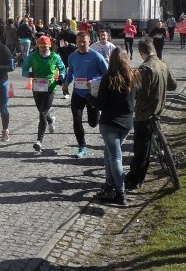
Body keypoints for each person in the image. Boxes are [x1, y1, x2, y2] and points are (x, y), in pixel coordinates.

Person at [88, 48, 139, 206]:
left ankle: (121, 192)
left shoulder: (108, 78)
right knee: (109, 154)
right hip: (126, 123)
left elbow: (101, 104)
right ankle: (109, 185)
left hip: (110, 123)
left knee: (116, 157)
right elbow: (136, 99)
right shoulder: (134, 76)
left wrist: (89, 97)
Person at [125, 38, 177, 190]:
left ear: (142, 52)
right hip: (159, 109)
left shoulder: (145, 68)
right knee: (146, 146)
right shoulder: (162, 64)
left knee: (141, 149)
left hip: (145, 113)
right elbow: (173, 85)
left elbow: (141, 93)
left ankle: (135, 179)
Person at [63, 30, 108, 158]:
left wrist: (94, 82)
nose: (81, 44)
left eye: (84, 42)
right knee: (76, 121)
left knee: (93, 123)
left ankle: (97, 115)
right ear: (76, 42)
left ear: (90, 42)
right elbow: (71, 72)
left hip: (92, 94)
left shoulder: (96, 56)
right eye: (79, 42)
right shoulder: (72, 56)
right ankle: (82, 147)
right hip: (77, 93)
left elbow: (107, 74)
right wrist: (67, 82)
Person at [22, 35, 66, 152]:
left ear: (49, 47)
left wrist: (61, 77)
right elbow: (24, 69)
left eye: (45, 47)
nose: (43, 49)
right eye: (41, 47)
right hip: (37, 87)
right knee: (42, 110)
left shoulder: (55, 57)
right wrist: (29, 74)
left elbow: (62, 68)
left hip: (50, 87)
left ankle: (39, 141)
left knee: (42, 113)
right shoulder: (33, 56)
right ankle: (51, 120)